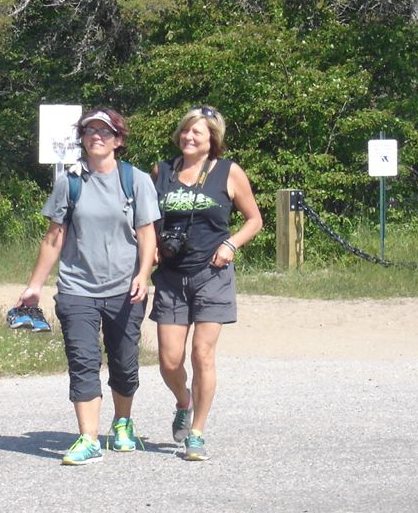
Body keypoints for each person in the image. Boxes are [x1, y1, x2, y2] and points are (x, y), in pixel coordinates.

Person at [18, 107, 160, 466]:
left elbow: (147, 233)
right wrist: (35, 285)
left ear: (119, 139)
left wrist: (143, 274)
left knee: (125, 363)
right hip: (77, 287)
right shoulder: (70, 181)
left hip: (125, 288)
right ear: (81, 138)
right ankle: (89, 438)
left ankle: (123, 422)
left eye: (105, 131)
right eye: (90, 131)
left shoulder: (136, 180)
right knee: (83, 361)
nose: (97, 136)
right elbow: (54, 238)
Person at [150, 105, 263, 461]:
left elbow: (254, 219)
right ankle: (184, 401)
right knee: (169, 360)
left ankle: (196, 432)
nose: (189, 137)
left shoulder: (228, 172)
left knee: (202, 355)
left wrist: (231, 245)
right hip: (170, 275)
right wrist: (151, 247)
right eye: (185, 131)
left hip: (211, 273)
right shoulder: (162, 171)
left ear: (212, 139)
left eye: (197, 132)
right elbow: (148, 217)